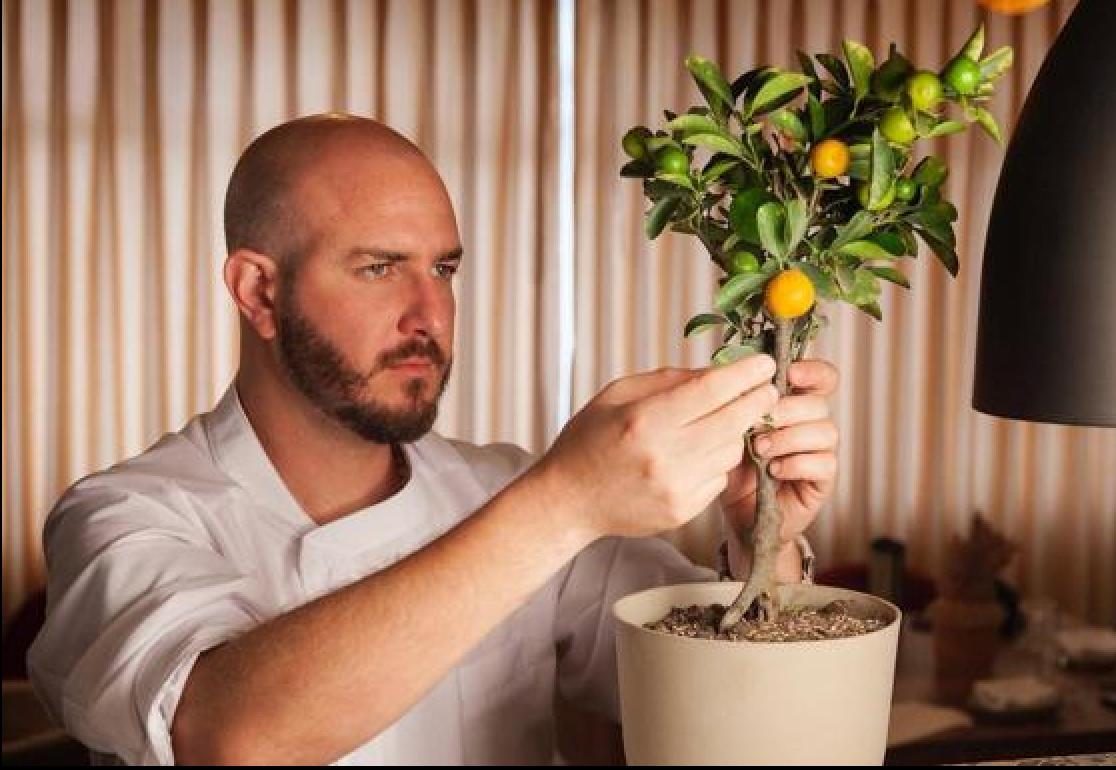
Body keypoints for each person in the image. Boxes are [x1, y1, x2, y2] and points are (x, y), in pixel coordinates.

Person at [27, 114, 842, 765]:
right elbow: (229, 740)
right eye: (379, 268)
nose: (431, 316)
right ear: (258, 290)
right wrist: (563, 502)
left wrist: (759, 540)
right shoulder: (125, 516)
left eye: (444, 270)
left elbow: (724, 715)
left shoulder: (500, 487)